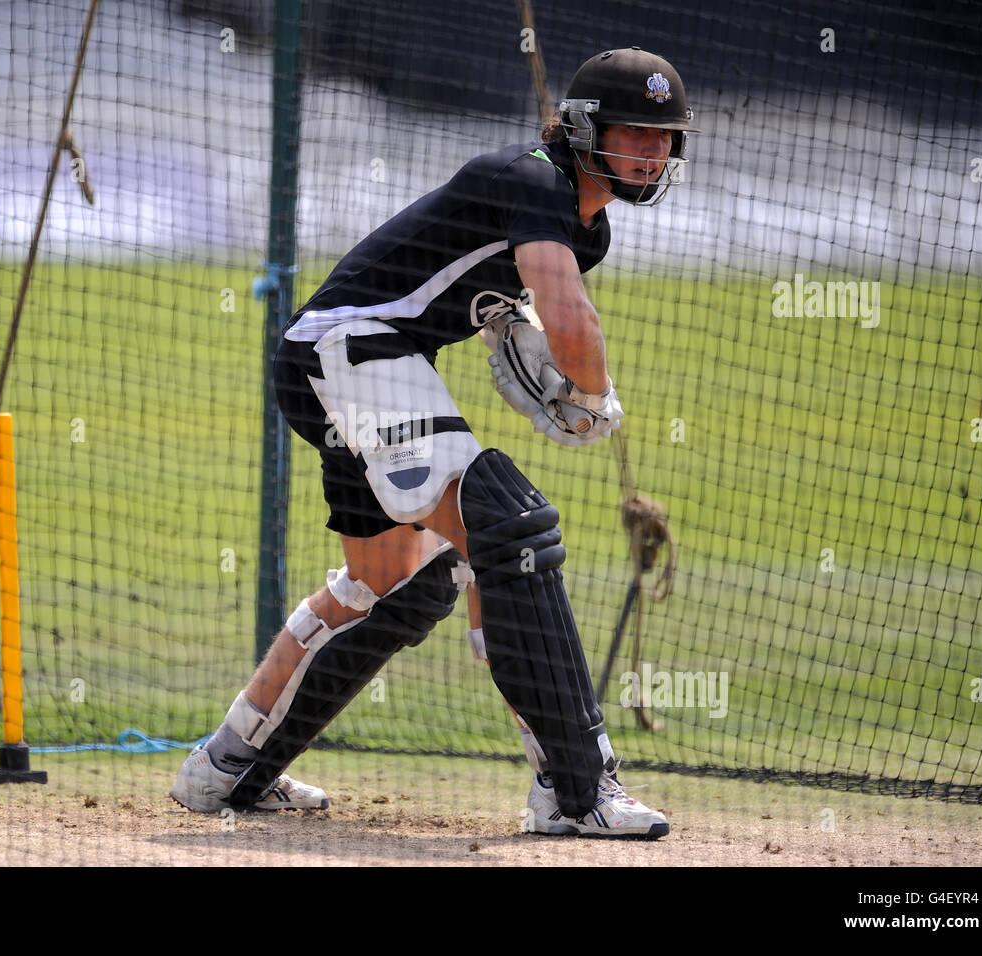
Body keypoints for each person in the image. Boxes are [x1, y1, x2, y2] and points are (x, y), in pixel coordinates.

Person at [171, 47, 698, 837]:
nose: (654, 152)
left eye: (665, 139)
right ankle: (576, 788)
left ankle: (226, 770)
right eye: (637, 134)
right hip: (351, 349)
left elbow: (503, 299)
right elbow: (573, 322)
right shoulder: (533, 180)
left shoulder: (584, 227)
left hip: (347, 359)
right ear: (587, 131)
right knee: (509, 527)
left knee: (395, 581)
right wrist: (591, 398)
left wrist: (509, 332)